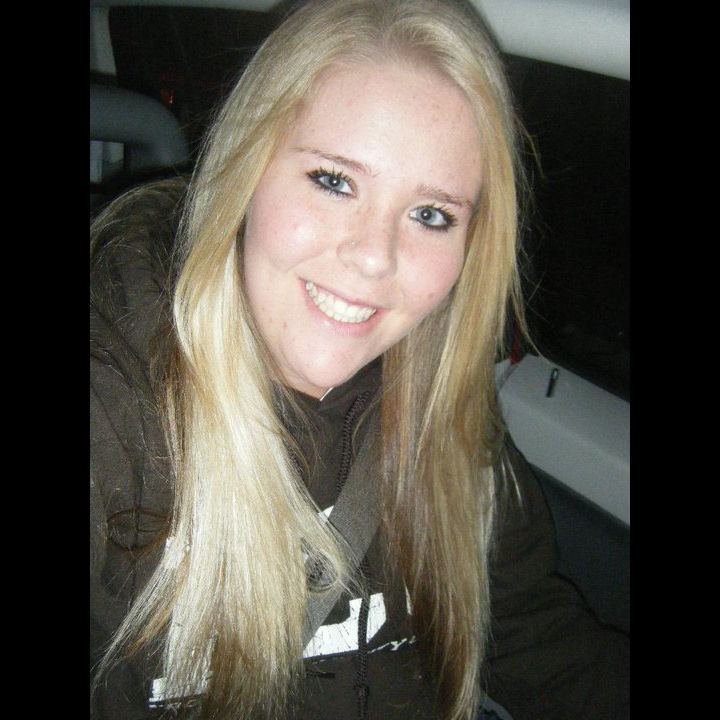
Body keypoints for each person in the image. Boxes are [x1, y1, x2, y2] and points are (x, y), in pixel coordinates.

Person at [89, 1, 629, 718]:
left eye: (431, 215)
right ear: (245, 167)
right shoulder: (112, 404)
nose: (375, 257)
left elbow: (528, 631)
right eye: (333, 180)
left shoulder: (442, 411)